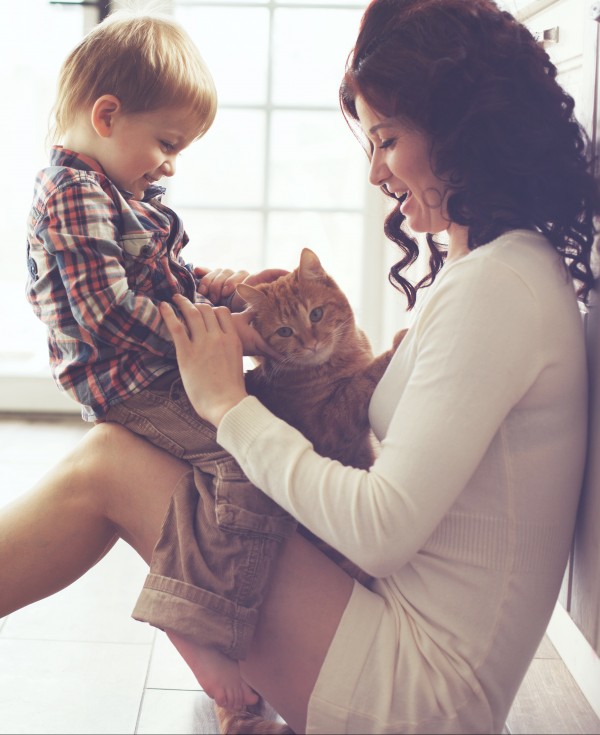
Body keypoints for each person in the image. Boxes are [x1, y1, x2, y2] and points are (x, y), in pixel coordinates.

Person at [2, 0, 599, 732]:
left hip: (417, 691)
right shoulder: (493, 266)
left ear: (461, 129)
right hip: (399, 623)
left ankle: (207, 639)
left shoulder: (499, 289)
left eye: (386, 138)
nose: (375, 169)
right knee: (122, 454)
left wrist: (232, 406)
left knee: (109, 463)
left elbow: (379, 528)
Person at [25, 9, 295, 710]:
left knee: (256, 443)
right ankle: (218, 639)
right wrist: (219, 336)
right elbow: (109, 313)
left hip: (159, 367)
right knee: (246, 462)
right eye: (167, 142)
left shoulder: (123, 192)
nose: (171, 162)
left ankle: (223, 612)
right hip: (132, 382)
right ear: (107, 115)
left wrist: (221, 289)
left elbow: (166, 277)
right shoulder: (70, 194)